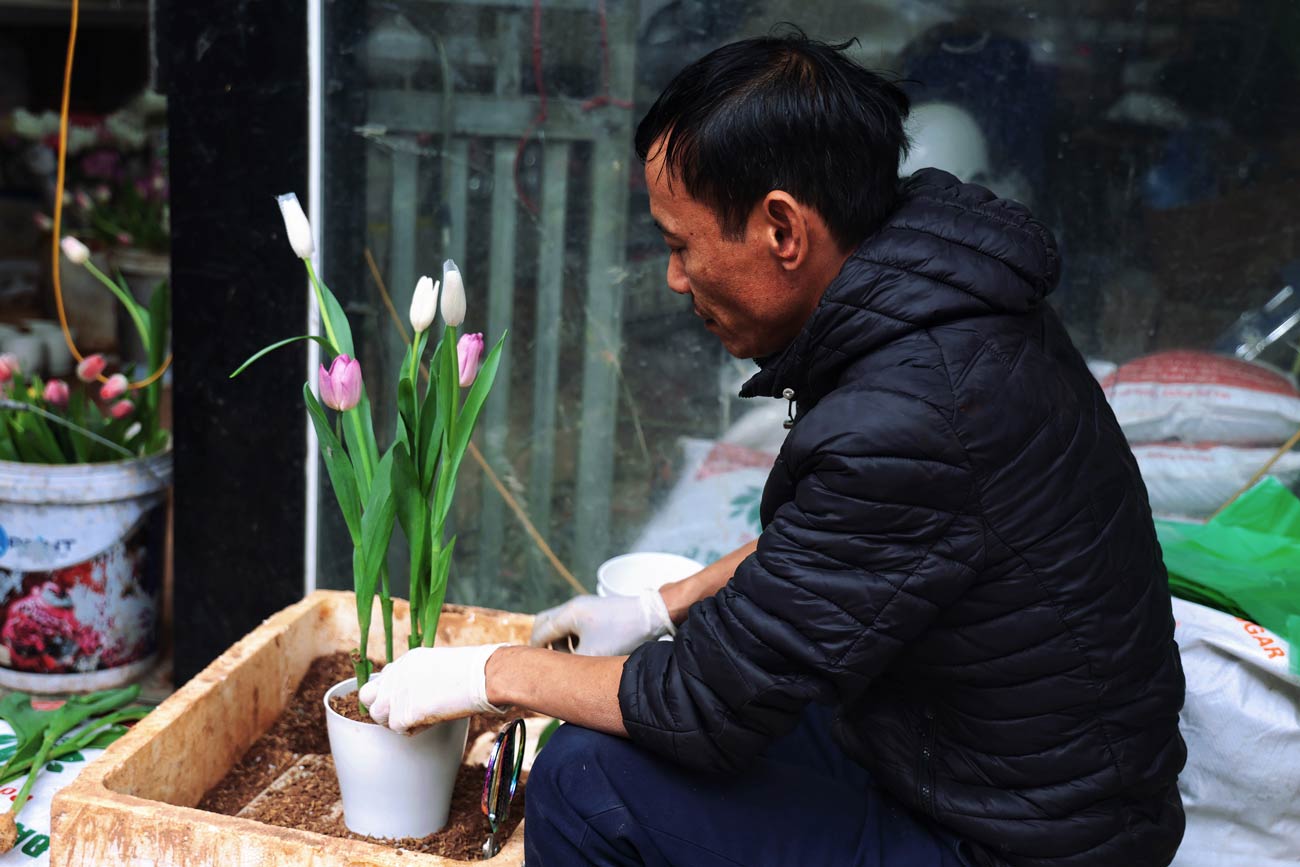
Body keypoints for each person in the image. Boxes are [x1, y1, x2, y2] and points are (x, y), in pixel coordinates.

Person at [359, 32, 1187, 867]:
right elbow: (856, 543)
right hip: (967, 759)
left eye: (682, 245)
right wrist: (662, 605)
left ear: (783, 229)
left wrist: (492, 675)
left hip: (1017, 840)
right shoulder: (941, 296)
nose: (676, 279)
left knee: (586, 779)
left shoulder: (915, 406)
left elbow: (705, 704)